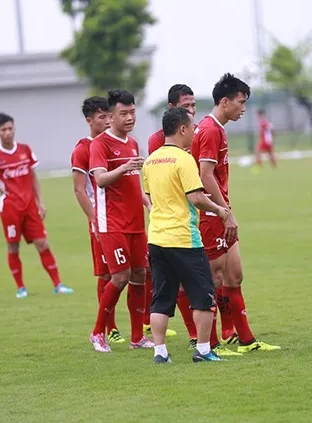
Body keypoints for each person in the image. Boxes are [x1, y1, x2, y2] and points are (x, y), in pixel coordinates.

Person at [192, 73, 281, 354]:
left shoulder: (218, 128)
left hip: (221, 213)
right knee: (214, 279)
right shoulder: (209, 130)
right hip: (210, 214)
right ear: (224, 101)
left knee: (234, 276)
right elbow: (205, 175)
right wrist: (224, 212)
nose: (244, 108)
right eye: (241, 103)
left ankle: (245, 341)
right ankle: (212, 343)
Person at [144, 107, 232, 363]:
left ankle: (160, 353)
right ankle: (203, 350)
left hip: (156, 238)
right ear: (182, 129)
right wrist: (219, 210)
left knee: (161, 298)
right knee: (204, 294)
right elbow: (195, 197)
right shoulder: (184, 160)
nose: (195, 132)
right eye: (192, 128)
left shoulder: (150, 161)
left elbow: (150, 198)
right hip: (183, 238)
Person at [0, 113, 74, 298]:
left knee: (42, 243)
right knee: (13, 247)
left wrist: (40, 202)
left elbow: (33, 176)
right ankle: (21, 288)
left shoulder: (25, 149)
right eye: (3, 130)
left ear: (14, 129)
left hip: (30, 207)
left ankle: (58, 284)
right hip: (10, 208)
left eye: (10, 129)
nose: (7, 133)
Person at [88, 89, 154, 352]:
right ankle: (97, 332)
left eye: (132, 112)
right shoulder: (100, 144)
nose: (129, 118)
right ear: (111, 116)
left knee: (141, 274)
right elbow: (101, 179)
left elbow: (133, 183)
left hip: (135, 221)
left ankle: (137, 337)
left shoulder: (133, 143)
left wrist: (147, 202)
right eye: (123, 113)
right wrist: (125, 167)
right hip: (112, 222)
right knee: (120, 277)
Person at [145, 84, 199, 346]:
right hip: (182, 227)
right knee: (201, 287)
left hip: (158, 232)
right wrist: (220, 209)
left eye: (193, 105)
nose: (191, 111)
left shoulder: (197, 133)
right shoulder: (162, 143)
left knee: (163, 293)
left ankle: (161, 350)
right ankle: (201, 343)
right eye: (185, 107)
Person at [71, 96, 124, 344]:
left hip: (122, 217)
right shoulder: (83, 148)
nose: (106, 121)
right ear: (88, 120)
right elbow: (80, 190)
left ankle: (140, 328)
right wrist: (93, 219)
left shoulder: (114, 143)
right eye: (101, 117)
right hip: (101, 220)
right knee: (107, 275)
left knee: (136, 272)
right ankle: (108, 328)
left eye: (108, 115)